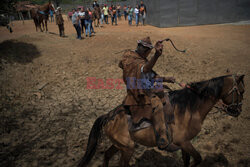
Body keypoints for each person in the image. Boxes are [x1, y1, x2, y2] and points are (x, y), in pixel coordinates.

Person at [119, 37, 179, 150]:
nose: (149, 54)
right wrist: (156, 55)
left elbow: (150, 75)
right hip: (137, 93)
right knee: (158, 105)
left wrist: (166, 79)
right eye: (149, 52)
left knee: (165, 92)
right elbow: (145, 70)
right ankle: (162, 140)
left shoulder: (134, 57)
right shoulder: (136, 62)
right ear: (145, 51)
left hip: (142, 85)